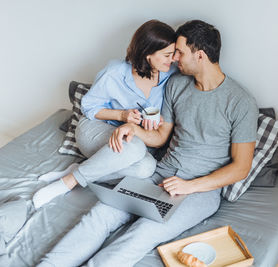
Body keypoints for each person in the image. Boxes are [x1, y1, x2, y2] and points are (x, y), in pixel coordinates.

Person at [37, 20, 258, 266]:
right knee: (100, 214)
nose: (175, 58)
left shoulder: (241, 102)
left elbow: (241, 167)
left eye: (180, 52)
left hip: (200, 192)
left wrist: (190, 186)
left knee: (143, 232)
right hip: (160, 173)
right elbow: (161, 136)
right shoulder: (176, 84)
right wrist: (132, 128)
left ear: (201, 55)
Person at [32, 20, 177, 209]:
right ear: (148, 54)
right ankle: (66, 183)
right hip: (94, 129)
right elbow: (89, 107)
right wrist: (123, 116)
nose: (172, 59)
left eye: (173, 53)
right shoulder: (115, 72)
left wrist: (158, 120)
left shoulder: (169, 74)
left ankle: (79, 172)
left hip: (130, 138)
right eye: (167, 55)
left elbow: (165, 113)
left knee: (146, 168)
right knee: (135, 148)